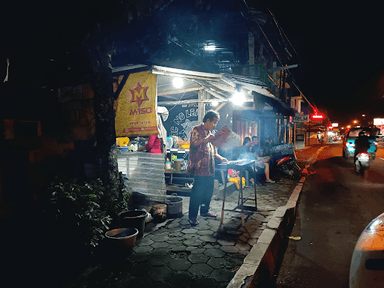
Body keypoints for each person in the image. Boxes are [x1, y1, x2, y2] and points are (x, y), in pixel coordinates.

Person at [187, 110, 228, 226]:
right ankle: (192, 217)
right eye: (214, 122)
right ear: (208, 120)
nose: (215, 125)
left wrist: (222, 158)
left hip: (210, 168)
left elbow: (214, 151)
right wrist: (207, 139)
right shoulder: (197, 129)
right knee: (197, 192)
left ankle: (205, 211)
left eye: (216, 123)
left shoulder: (211, 133)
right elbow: (193, 143)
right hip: (199, 167)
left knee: (208, 192)